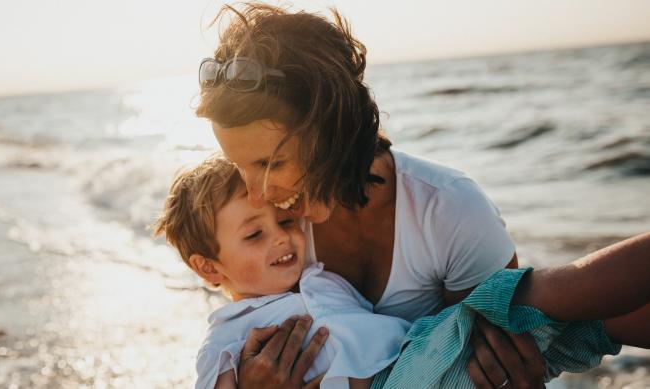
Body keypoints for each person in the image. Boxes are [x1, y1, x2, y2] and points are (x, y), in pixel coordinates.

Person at [195, 3, 550, 388]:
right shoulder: (273, 229)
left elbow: (500, 362)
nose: (254, 193)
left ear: (333, 134)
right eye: (238, 166)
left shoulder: (449, 211)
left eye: (271, 164)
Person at [152, 156, 650, 389]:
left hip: (427, 356)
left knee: (584, 327)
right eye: (254, 236)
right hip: (405, 378)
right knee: (535, 299)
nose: (283, 237)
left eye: (284, 220)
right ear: (208, 267)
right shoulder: (228, 339)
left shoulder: (319, 276)